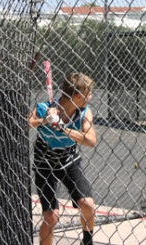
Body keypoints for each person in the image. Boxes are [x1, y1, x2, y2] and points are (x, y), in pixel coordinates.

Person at [28, 72, 96, 245]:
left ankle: (87, 241)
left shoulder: (84, 113)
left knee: (87, 205)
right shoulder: (45, 107)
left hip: (68, 159)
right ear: (78, 95)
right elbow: (27, 123)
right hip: (45, 162)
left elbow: (90, 140)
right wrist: (45, 119)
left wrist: (63, 127)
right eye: (88, 93)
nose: (91, 96)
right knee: (51, 216)